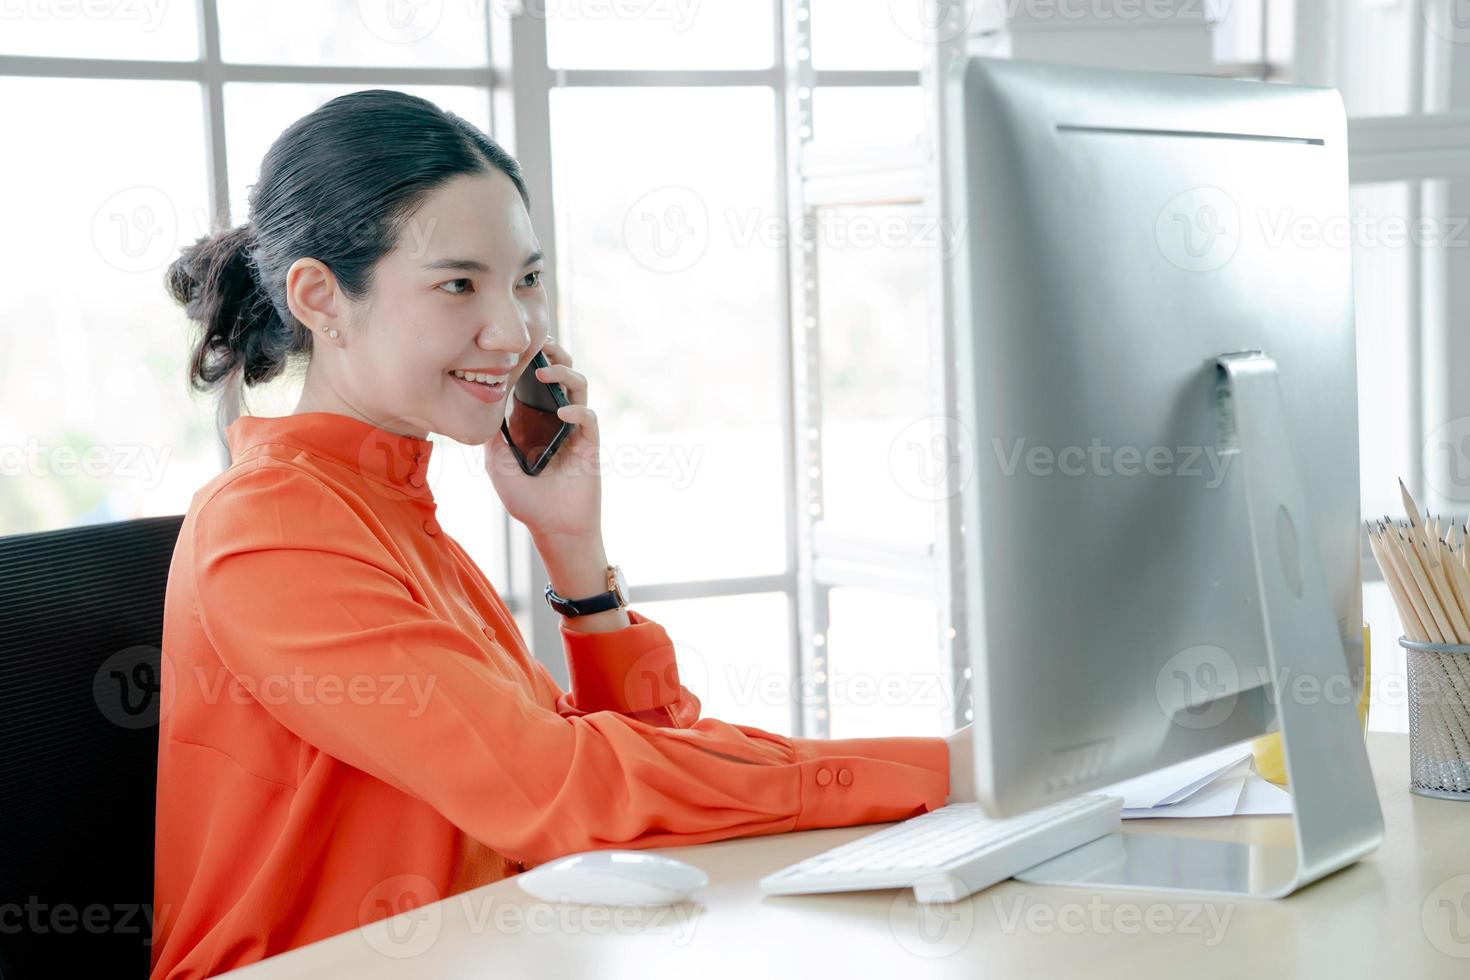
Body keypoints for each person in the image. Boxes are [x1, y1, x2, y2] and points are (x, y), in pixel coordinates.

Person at [150, 88, 974, 979]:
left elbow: (625, 786)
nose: (516, 331)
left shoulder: (394, 510)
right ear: (322, 297)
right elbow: (559, 789)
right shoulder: (274, 530)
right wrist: (942, 771)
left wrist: (575, 554)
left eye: (527, 280)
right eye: (459, 283)